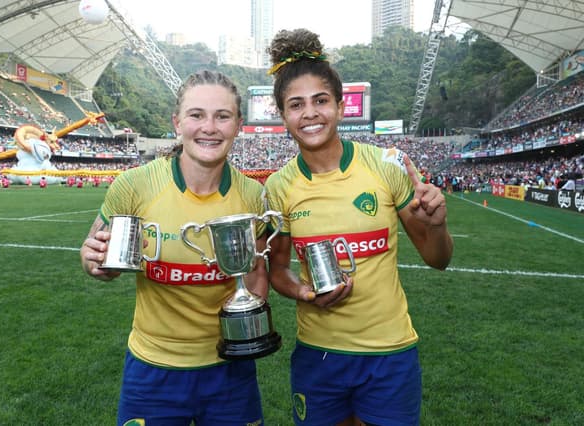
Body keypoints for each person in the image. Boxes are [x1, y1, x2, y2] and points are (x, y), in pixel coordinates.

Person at [264, 29, 454, 426]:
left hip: (390, 351)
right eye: (296, 104)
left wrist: (437, 226)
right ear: (282, 115)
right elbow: (277, 270)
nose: (310, 113)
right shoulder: (279, 186)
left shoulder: (386, 165)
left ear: (341, 106)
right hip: (319, 353)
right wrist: (303, 292)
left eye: (320, 101)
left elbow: (437, 259)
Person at [80, 70, 269, 426]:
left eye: (222, 116)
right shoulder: (134, 185)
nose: (209, 127)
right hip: (153, 370)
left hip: (229, 369)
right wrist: (93, 262)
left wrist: (250, 325)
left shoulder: (253, 196)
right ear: (177, 122)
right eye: (196, 115)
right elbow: (95, 250)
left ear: (238, 125)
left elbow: (257, 270)